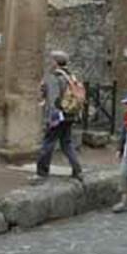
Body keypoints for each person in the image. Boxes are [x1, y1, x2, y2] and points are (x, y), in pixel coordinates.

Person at [35, 50, 83, 181]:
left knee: (48, 143)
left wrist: (52, 118)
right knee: (66, 143)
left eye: (51, 60)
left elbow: (53, 99)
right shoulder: (71, 76)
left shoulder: (54, 77)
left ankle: (42, 172)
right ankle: (77, 170)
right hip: (70, 114)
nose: (49, 63)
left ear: (55, 62)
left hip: (58, 115)